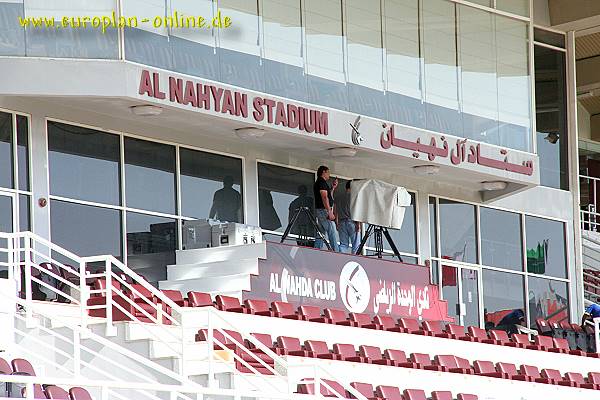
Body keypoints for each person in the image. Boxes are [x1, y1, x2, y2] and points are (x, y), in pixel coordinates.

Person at [313, 166, 339, 252]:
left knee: (321, 232)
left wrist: (333, 188)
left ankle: (317, 250)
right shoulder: (321, 182)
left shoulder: (321, 183)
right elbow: (324, 197)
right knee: (331, 230)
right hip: (323, 210)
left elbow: (328, 197)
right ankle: (335, 251)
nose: (329, 174)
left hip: (321, 210)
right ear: (323, 172)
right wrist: (329, 212)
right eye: (328, 172)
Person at [335, 180, 360, 254]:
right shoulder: (354, 197)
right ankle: (355, 261)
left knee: (343, 244)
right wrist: (358, 224)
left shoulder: (338, 197)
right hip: (352, 222)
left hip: (341, 222)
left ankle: (341, 259)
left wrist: (337, 223)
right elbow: (356, 211)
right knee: (356, 245)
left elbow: (335, 211)